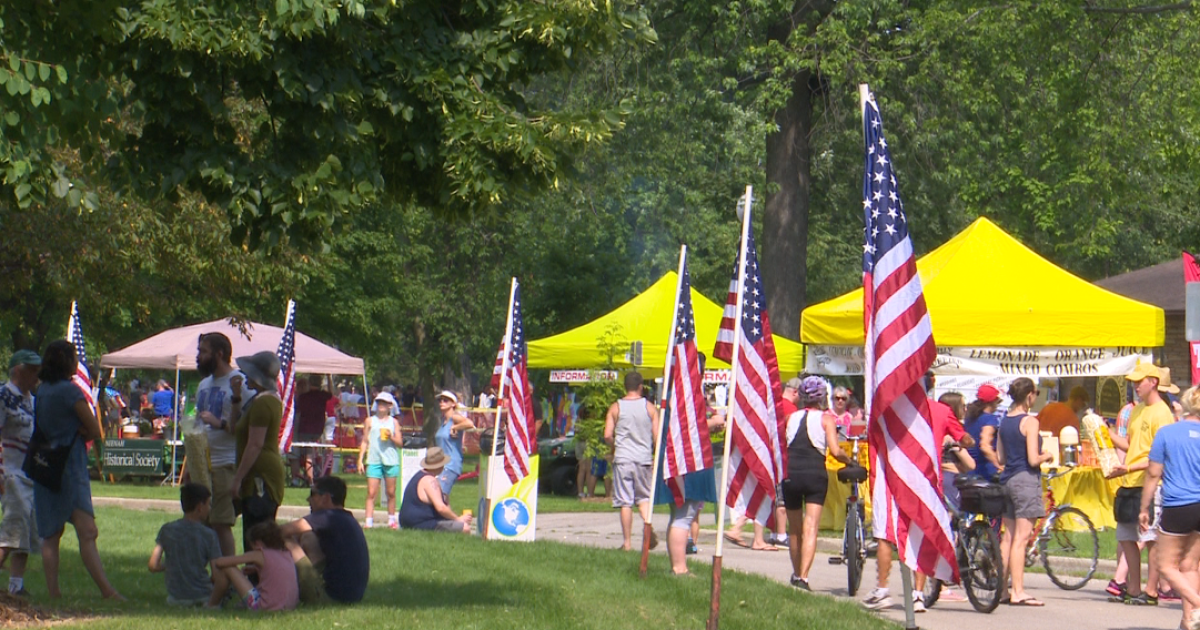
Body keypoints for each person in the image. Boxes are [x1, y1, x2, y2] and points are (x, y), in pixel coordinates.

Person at [863, 372, 972, 611]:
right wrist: (962, 442)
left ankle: (882, 588)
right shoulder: (941, 411)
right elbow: (964, 438)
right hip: (927, 480)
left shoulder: (890, 410)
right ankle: (918, 594)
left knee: (886, 534)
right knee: (922, 533)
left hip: (894, 479)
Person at [32, 340, 123, 600]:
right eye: (74, 357)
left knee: (50, 534)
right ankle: (107, 591)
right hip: (70, 468)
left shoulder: (42, 391)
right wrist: (78, 431)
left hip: (45, 467)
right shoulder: (70, 393)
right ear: (66, 361)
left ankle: (54, 593)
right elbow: (94, 429)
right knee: (87, 530)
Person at [1107, 363, 1176, 605]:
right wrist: (1105, 434)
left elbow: (1162, 454)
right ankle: (1134, 588)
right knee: (1126, 536)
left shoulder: (1162, 413)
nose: (1135, 386)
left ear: (1153, 382)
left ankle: (1151, 590)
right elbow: (1131, 445)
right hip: (1129, 481)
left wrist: (1130, 467)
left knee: (1151, 538)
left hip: (1150, 482)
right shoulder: (1136, 411)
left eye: (1140, 381)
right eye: (1134, 382)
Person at [783, 376, 854, 590]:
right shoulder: (826, 419)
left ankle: (796, 574)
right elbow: (835, 450)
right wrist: (848, 460)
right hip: (815, 473)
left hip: (791, 472)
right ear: (822, 398)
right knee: (811, 525)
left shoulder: (790, 418)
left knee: (794, 529)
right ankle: (804, 577)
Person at [1142, 386, 1200, 630]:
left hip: (1178, 504)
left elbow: (1153, 473)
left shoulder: (1167, 433)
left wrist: (1144, 507)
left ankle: (1197, 604)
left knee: (1166, 565)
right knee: (1190, 566)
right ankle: (1189, 621)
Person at [193, 332, 252, 556]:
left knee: (221, 523)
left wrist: (220, 423)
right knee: (203, 522)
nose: (198, 356)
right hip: (203, 464)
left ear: (219, 354)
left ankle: (228, 578)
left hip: (226, 462)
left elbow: (247, 425)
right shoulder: (203, 385)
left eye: (203, 351)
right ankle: (213, 577)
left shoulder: (240, 383)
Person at [997, 376, 1053, 607]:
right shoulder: (1030, 422)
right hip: (1025, 479)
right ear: (1029, 395)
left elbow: (1001, 457)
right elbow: (1032, 459)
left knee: (1007, 537)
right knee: (1021, 539)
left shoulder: (1005, 421)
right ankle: (1018, 590)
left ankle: (1001, 588)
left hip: (1007, 478)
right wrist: (1046, 455)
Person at [281, 476, 369, 604]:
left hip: (330, 599)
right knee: (307, 536)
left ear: (326, 498)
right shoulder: (344, 518)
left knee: (285, 539)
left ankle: (272, 588)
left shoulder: (327, 517)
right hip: (351, 597)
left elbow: (281, 531)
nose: (308, 499)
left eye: (312, 494)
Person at [233, 351, 286, 552]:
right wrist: (236, 397)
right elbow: (236, 426)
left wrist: (237, 479)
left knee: (257, 538)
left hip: (261, 478)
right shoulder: (260, 400)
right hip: (256, 475)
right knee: (253, 535)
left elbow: (255, 444)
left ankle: (258, 581)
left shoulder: (264, 403)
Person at [0, 350, 41, 596]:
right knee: (14, 527)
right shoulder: (4, 395)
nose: (36, 376)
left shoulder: (33, 400)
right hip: (10, 472)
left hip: (30, 473)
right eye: (32, 370)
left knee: (26, 530)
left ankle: (16, 585)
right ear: (18, 370)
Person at [604, 372, 660, 551]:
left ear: (625, 386)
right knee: (644, 498)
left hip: (623, 459)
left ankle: (627, 543)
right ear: (641, 386)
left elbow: (607, 435)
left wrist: (616, 445)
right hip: (643, 459)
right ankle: (647, 524)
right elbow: (657, 437)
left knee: (625, 502)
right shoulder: (650, 408)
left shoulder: (615, 407)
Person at [148, 483, 222, 606]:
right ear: (199, 507)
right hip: (204, 595)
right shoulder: (209, 535)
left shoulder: (167, 530)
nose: (210, 508)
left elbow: (152, 565)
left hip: (175, 598)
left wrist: (172, 565)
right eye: (208, 504)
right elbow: (216, 575)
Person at [207, 521, 298, 611]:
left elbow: (220, 563)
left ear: (258, 543)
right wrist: (255, 569)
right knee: (239, 605)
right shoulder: (286, 554)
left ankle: (212, 605)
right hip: (288, 606)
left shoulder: (260, 554)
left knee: (228, 569)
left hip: (265, 607)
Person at [398, 447, 473, 533]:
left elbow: (444, 504)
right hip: (420, 522)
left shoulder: (420, 476)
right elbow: (441, 508)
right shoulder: (430, 480)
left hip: (409, 521)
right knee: (464, 528)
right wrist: (458, 519)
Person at [359, 392, 403, 529]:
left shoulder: (394, 422)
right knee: (371, 492)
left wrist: (391, 436)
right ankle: (368, 522)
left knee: (390, 492)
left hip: (390, 459)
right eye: (379, 403)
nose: (381, 406)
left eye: (384, 403)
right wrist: (360, 459)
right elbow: (365, 441)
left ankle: (391, 520)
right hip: (373, 459)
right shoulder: (370, 421)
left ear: (390, 406)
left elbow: (400, 443)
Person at [292, 375, 332, 486]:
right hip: (318, 428)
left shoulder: (303, 397)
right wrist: (329, 378)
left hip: (304, 428)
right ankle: (310, 477)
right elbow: (331, 393)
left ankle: (309, 479)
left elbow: (298, 411)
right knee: (310, 453)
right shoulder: (322, 395)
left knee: (306, 454)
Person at [433, 390, 473, 497]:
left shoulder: (454, 418)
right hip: (441, 464)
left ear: (453, 404)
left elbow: (470, 423)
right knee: (441, 497)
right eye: (440, 400)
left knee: (440, 495)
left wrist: (455, 427)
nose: (442, 402)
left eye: (445, 400)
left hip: (451, 464)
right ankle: (447, 514)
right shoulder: (443, 421)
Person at [964, 383, 1004, 481]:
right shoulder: (990, 419)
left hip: (967, 468)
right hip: (984, 471)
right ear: (994, 401)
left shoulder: (970, 417)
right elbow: (985, 446)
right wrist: (1000, 466)